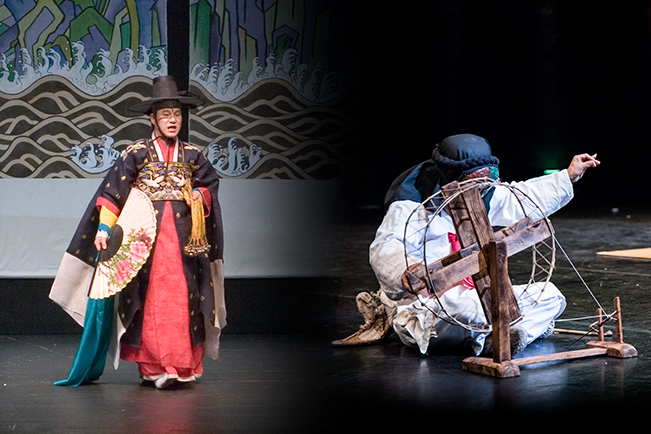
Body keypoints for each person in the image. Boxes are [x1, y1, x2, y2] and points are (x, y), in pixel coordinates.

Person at [333, 133, 599, 357]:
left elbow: (521, 198)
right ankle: (501, 336)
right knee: (467, 310)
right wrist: (406, 271)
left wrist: (568, 176)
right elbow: (386, 246)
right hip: (430, 303)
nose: (481, 191)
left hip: (474, 293)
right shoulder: (412, 203)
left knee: (550, 296)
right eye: (475, 184)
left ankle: (499, 338)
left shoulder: (481, 192)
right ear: (453, 177)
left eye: (484, 184)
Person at [50, 76, 226, 389]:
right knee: (152, 298)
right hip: (147, 242)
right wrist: (104, 228)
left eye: (177, 114)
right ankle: (155, 366)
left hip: (185, 242)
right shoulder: (136, 153)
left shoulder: (193, 155)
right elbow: (112, 194)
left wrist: (199, 196)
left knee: (184, 297)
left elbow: (209, 184)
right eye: (165, 115)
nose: (172, 120)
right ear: (152, 119)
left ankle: (183, 364)